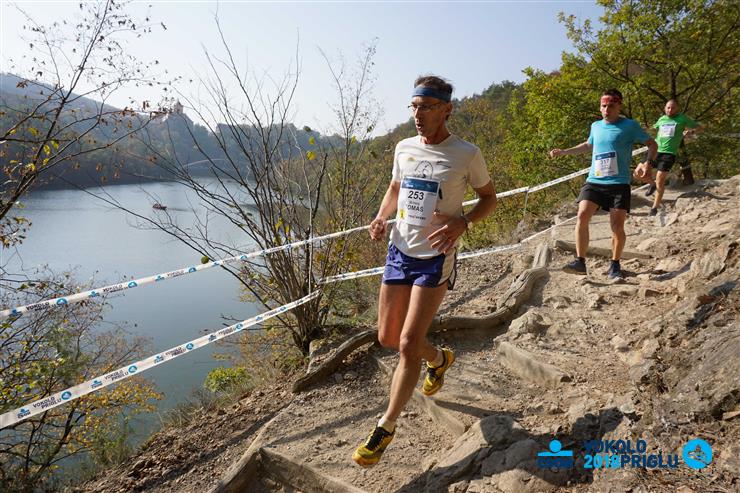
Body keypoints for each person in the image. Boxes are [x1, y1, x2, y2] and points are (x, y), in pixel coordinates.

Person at [352, 75, 497, 467]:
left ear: (446, 109)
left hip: (435, 256)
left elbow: (489, 198)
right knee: (388, 337)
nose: (418, 114)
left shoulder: (466, 153)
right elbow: (395, 188)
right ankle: (439, 358)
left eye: (427, 107)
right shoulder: (404, 147)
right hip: (399, 250)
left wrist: (463, 222)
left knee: (406, 343)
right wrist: (380, 217)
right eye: (414, 106)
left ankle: (385, 426)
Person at [549, 89, 657, 279]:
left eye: (611, 106)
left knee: (617, 226)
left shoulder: (629, 126)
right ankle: (580, 262)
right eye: (603, 106)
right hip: (594, 181)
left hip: (618, 183)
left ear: (619, 106)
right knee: (582, 215)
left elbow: (652, 144)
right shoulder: (596, 126)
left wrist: (647, 163)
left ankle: (615, 264)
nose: (607, 110)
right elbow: (589, 145)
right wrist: (564, 152)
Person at [645, 99, 703, 215]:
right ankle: (652, 184)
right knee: (639, 173)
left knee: (660, 179)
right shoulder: (662, 119)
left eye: (673, 108)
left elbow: (700, 128)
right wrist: (644, 130)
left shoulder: (682, 118)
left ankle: (654, 208)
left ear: (678, 109)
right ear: (665, 108)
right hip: (656, 150)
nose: (670, 110)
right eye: (668, 107)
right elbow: (654, 129)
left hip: (669, 153)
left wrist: (691, 132)